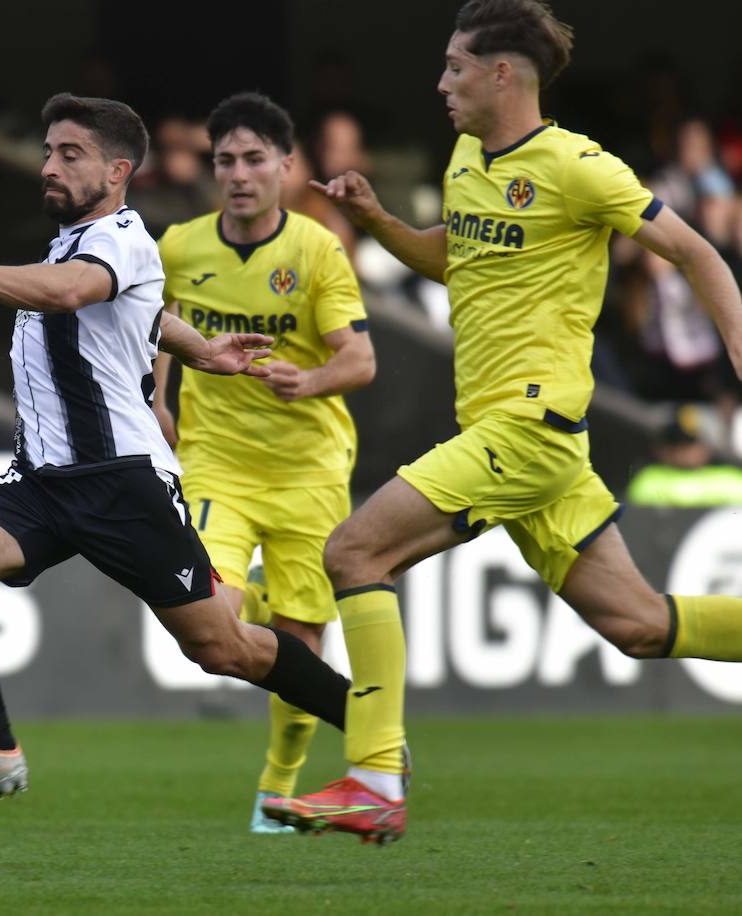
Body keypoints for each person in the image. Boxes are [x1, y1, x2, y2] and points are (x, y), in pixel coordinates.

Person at [266, 0, 742, 844]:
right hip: (530, 442)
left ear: (501, 74)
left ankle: (375, 779)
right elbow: (455, 258)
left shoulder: (580, 167)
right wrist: (378, 223)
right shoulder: (463, 158)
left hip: (527, 426)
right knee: (637, 624)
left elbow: (696, 252)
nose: (441, 82)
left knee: (352, 551)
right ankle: (375, 778)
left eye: (454, 66)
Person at [0, 93, 355, 813]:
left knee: (222, 648)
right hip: (41, 479)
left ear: (117, 171)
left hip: (120, 483)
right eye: (47, 151)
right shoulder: (73, 243)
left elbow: (74, 295)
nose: (49, 166)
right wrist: (202, 347)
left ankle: (371, 726)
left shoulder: (123, 238)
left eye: (70, 154)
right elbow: (141, 311)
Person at [151, 92, 376, 834]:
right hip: (216, 462)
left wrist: (308, 379)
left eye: (254, 159)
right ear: (211, 168)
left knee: (299, 645)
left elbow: (361, 358)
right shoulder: (180, 245)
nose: (239, 174)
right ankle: (244, 592)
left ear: (286, 165)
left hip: (309, 468)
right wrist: (156, 399)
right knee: (208, 619)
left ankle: (276, 790)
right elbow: (152, 322)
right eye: (226, 160)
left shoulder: (316, 249)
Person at [625, 405, 742, 507]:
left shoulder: (730, 479)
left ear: (706, 446)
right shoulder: (648, 480)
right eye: (675, 443)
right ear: (660, 449)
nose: (681, 450)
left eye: (689, 443)